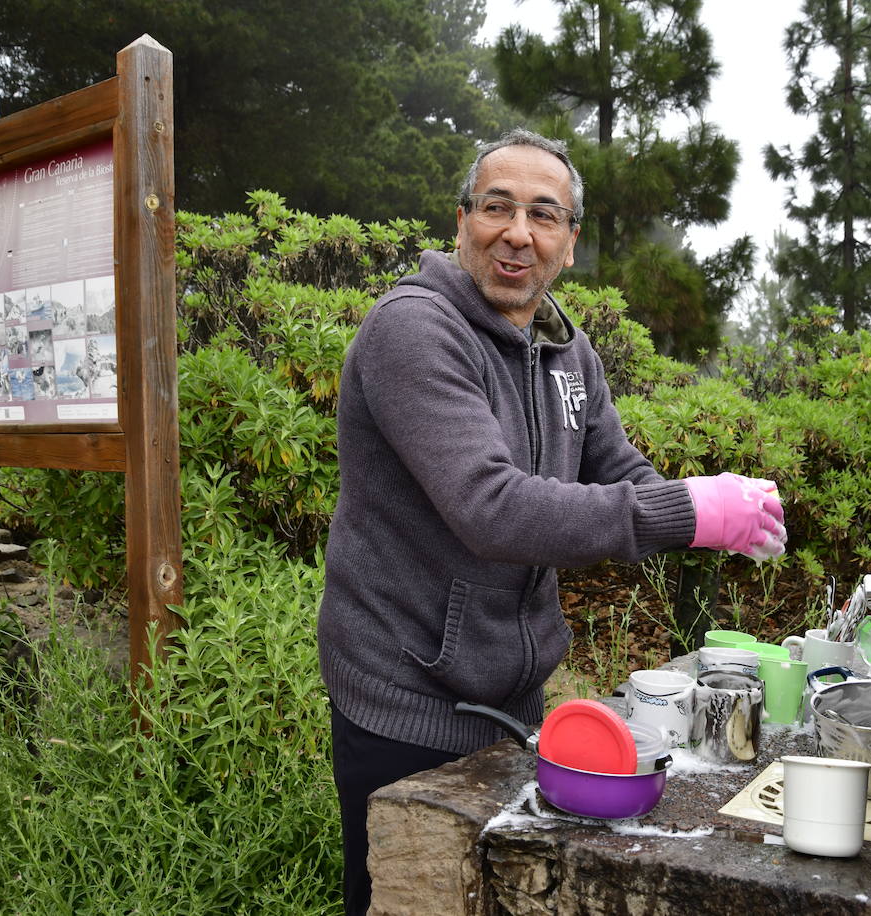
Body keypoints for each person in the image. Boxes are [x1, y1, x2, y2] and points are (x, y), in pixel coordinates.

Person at [317, 128, 786, 914]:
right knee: (403, 897)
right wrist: (686, 511)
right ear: (461, 221)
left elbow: (621, 472)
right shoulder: (413, 330)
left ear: (569, 243)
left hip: (510, 692)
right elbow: (491, 509)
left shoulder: (566, 349)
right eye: (497, 208)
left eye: (544, 215)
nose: (518, 233)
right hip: (404, 691)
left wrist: (715, 514)